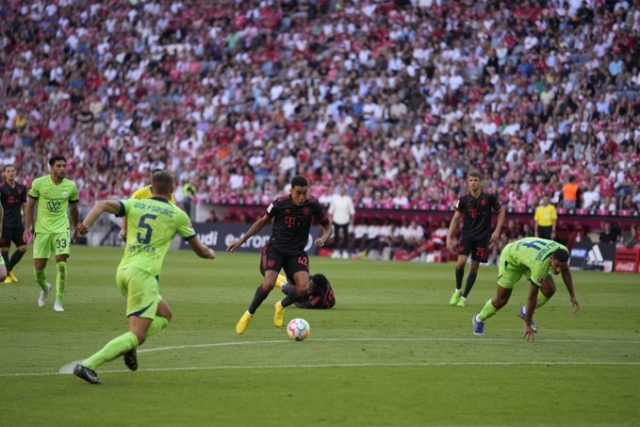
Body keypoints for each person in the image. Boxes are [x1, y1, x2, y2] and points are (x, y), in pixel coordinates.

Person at [71, 170, 216, 385]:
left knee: (165, 314)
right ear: (173, 189)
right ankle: (88, 365)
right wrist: (210, 253)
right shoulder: (177, 214)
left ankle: (128, 345)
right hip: (144, 276)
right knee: (139, 334)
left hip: (123, 272)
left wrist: (85, 225)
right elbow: (200, 251)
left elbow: (101, 204)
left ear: (150, 186)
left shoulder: (135, 204)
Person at [227, 175, 333, 335]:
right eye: (298, 193)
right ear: (291, 191)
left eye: (305, 192)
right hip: (275, 249)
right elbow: (262, 222)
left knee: (304, 289)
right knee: (269, 284)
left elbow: (328, 226)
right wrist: (242, 240)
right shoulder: (280, 202)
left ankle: (281, 306)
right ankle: (248, 314)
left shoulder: (313, 204)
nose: (302, 196)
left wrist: (324, 238)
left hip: (296, 253)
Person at [472, 237, 580, 341]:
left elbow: (565, 270)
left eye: (562, 266)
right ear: (551, 258)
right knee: (502, 300)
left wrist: (573, 296)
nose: (559, 269)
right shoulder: (540, 266)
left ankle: (524, 312)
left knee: (549, 289)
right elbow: (532, 297)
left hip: (529, 258)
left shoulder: (563, 250)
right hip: (512, 259)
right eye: (557, 265)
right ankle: (478, 319)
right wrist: (527, 325)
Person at [23, 155, 79, 312]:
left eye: (64, 166)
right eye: (59, 166)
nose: (62, 169)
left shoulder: (71, 187)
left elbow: (74, 209)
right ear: (51, 167)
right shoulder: (39, 183)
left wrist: (76, 228)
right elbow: (30, 206)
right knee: (38, 267)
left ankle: (59, 300)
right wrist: (27, 227)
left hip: (61, 229)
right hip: (42, 230)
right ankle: (45, 287)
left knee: (61, 263)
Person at [446, 171, 505, 307]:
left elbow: (501, 211)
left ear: (480, 182)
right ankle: (457, 291)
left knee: (474, 268)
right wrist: (449, 237)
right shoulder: (463, 199)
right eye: (471, 180)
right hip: (467, 235)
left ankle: (464, 298)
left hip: (482, 238)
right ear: (468, 183)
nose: (473, 183)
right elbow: (456, 218)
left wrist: (497, 230)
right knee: (460, 263)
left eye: (475, 180)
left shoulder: (489, 198)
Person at [119, 169, 176, 240]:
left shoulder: (168, 195)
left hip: (157, 231)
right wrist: (124, 228)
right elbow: (127, 208)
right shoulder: (140, 193)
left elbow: (172, 212)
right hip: (138, 229)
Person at [0, 165, 28, 284]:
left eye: (12, 171)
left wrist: (28, 224)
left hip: (18, 224)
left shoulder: (21, 188)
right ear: (4, 174)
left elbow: (25, 206)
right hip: (5, 224)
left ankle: (9, 270)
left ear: (15, 172)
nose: (11, 173)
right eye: (8, 171)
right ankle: (6, 275)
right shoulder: (1, 189)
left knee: (23, 248)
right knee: (5, 250)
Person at [328, 185, 356, 258]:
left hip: (345, 220)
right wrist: (330, 220)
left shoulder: (348, 199)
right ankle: (336, 251)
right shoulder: (335, 199)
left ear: (345, 191)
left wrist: (352, 220)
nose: (341, 192)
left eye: (343, 190)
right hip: (336, 219)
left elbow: (352, 212)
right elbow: (331, 211)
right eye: (341, 190)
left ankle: (345, 252)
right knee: (336, 236)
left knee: (346, 237)